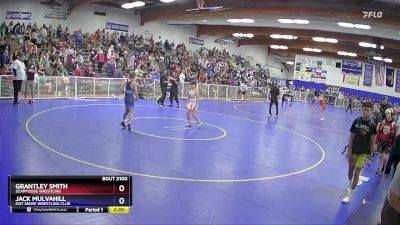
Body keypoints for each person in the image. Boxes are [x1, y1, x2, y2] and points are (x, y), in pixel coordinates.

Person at [342, 102, 377, 204]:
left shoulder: (373, 125)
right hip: (354, 151)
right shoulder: (356, 121)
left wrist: (370, 157)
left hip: (363, 153)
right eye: (364, 110)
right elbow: (351, 138)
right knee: (350, 172)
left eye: (368, 110)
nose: (366, 112)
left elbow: (372, 142)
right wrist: (349, 152)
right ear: (362, 109)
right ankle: (350, 184)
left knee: (357, 173)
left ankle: (349, 195)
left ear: (371, 111)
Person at [375, 108, 397, 176]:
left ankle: (384, 165)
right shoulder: (383, 121)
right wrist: (376, 141)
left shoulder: (393, 123)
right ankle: (378, 169)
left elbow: (395, 134)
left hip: (389, 142)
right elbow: (379, 131)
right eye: (386, 113)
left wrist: (393, 143)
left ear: (391, 114)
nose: (387, 115)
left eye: (388, 113)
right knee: (380, 156)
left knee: (385, 158)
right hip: (382, 141)